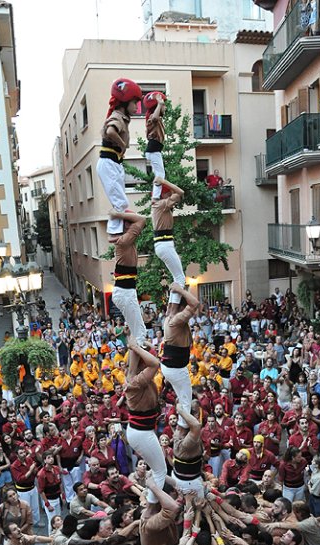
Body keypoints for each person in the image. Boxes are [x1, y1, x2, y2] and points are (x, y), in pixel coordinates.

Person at [96, 77, 142, 235]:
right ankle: (116, 234)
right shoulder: (117, 116)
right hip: (108, 163)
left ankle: (118, 229)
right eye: (135, 102)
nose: (137, 107)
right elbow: (110, 131)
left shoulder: (122, 117)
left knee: (121, 202)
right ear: (125, 102)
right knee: (120, 202)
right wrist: (122, 144)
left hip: (114, 163)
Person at [125, 338, 166, 503]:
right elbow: (155, 363)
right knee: (160, 470)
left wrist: (143, 344)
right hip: (140, 433)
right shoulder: (135, 381)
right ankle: (151, 504)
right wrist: (135, 346)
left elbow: (154, 357)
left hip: (143, 430)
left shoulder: (137, 376)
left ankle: (152, 498)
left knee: (157, 470)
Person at [161, 283, 198, 426]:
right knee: (186, 400)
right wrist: (179, 290)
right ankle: (182, 427)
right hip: (176, 368)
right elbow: (195, 304)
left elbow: (172, 304)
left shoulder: (170, 315)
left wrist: (175, 289)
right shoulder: (175, 320)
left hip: (172, 366)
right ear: (182, 308)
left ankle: (182, 422)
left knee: (184, 397)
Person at [108, 210, 147, 346]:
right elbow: (141, 219)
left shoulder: (125, 241)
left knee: (137, 333)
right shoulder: (124, 241)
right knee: (141, 334)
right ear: (127, 225)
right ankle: (136, 363)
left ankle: (135, 361)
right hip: (125, 292)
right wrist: (119, 215)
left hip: (125, 291)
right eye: (131, 224)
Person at [151, 178, 186, 305]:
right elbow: (180, 192)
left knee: (178, 278)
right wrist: (164, 182)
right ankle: (172, 310)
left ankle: (172, 308)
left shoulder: (159, 205)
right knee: (180, 278)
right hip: (165, 244)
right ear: (163, 195)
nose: (171, 194)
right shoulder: (161, 204)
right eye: (168, 192)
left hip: (163, 244)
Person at [143, 91, 166, 199]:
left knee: (159, 174)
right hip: (153, 150)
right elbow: (154, 118)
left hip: (154, 150)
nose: (165, 107)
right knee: (160, 175)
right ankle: (156, 197)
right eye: (164, 105)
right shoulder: (152, 117)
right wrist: (160, 104)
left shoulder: (158, 119)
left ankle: (156, 195)